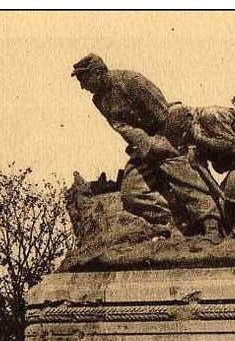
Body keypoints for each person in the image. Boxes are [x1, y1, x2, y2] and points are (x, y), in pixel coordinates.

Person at [71, 53, 221, 237]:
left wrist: (165, 145)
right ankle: (175, 223)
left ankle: (212, 223)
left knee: (178, 172)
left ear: (98, 72)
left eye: (84, 79)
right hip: (144, 146)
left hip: (167, 132)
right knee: (131, 193)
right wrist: (148, 146)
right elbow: (123, 127)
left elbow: (163, 114)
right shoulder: (99, 100)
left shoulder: (131, 81)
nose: (82, 86)